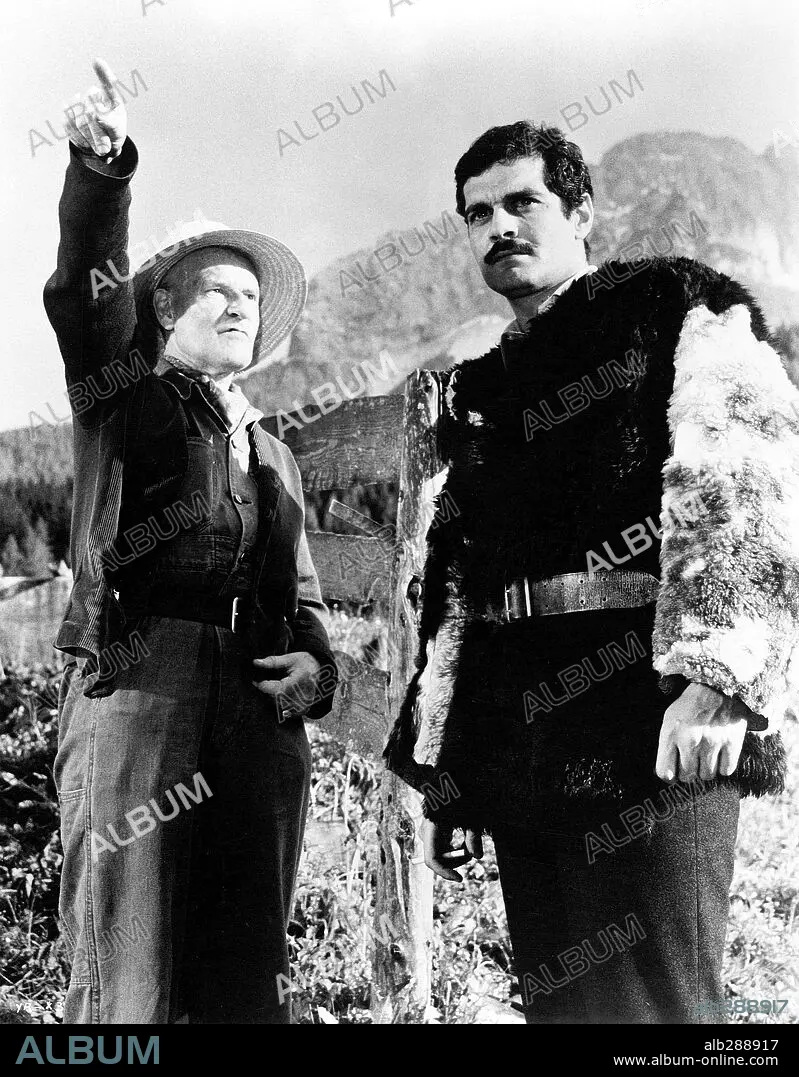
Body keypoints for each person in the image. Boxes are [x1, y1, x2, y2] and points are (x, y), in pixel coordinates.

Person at [385, 120, 797, 1023]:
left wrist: (718, 676)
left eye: (522, 201)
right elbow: (458, 589)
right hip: (521, 737)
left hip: (647, 723)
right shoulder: (483, 386)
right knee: (561, 1005)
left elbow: (748, 475)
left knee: (657, 1014)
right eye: (478, 214)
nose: (499, 226)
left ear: (580, 214)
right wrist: (453, 766)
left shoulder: (669, 302)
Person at [44, 59, 338, 1024]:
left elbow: (305, 597)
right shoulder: (121, 392)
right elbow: (85, 295)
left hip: (255, 702)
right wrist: (101, 169)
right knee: (127, 958)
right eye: (215, 289)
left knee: (245, 964)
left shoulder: (274, 454)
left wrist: (316, 667)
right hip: (141, 678)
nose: (239, 304)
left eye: (249, 295)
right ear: (164, 309)